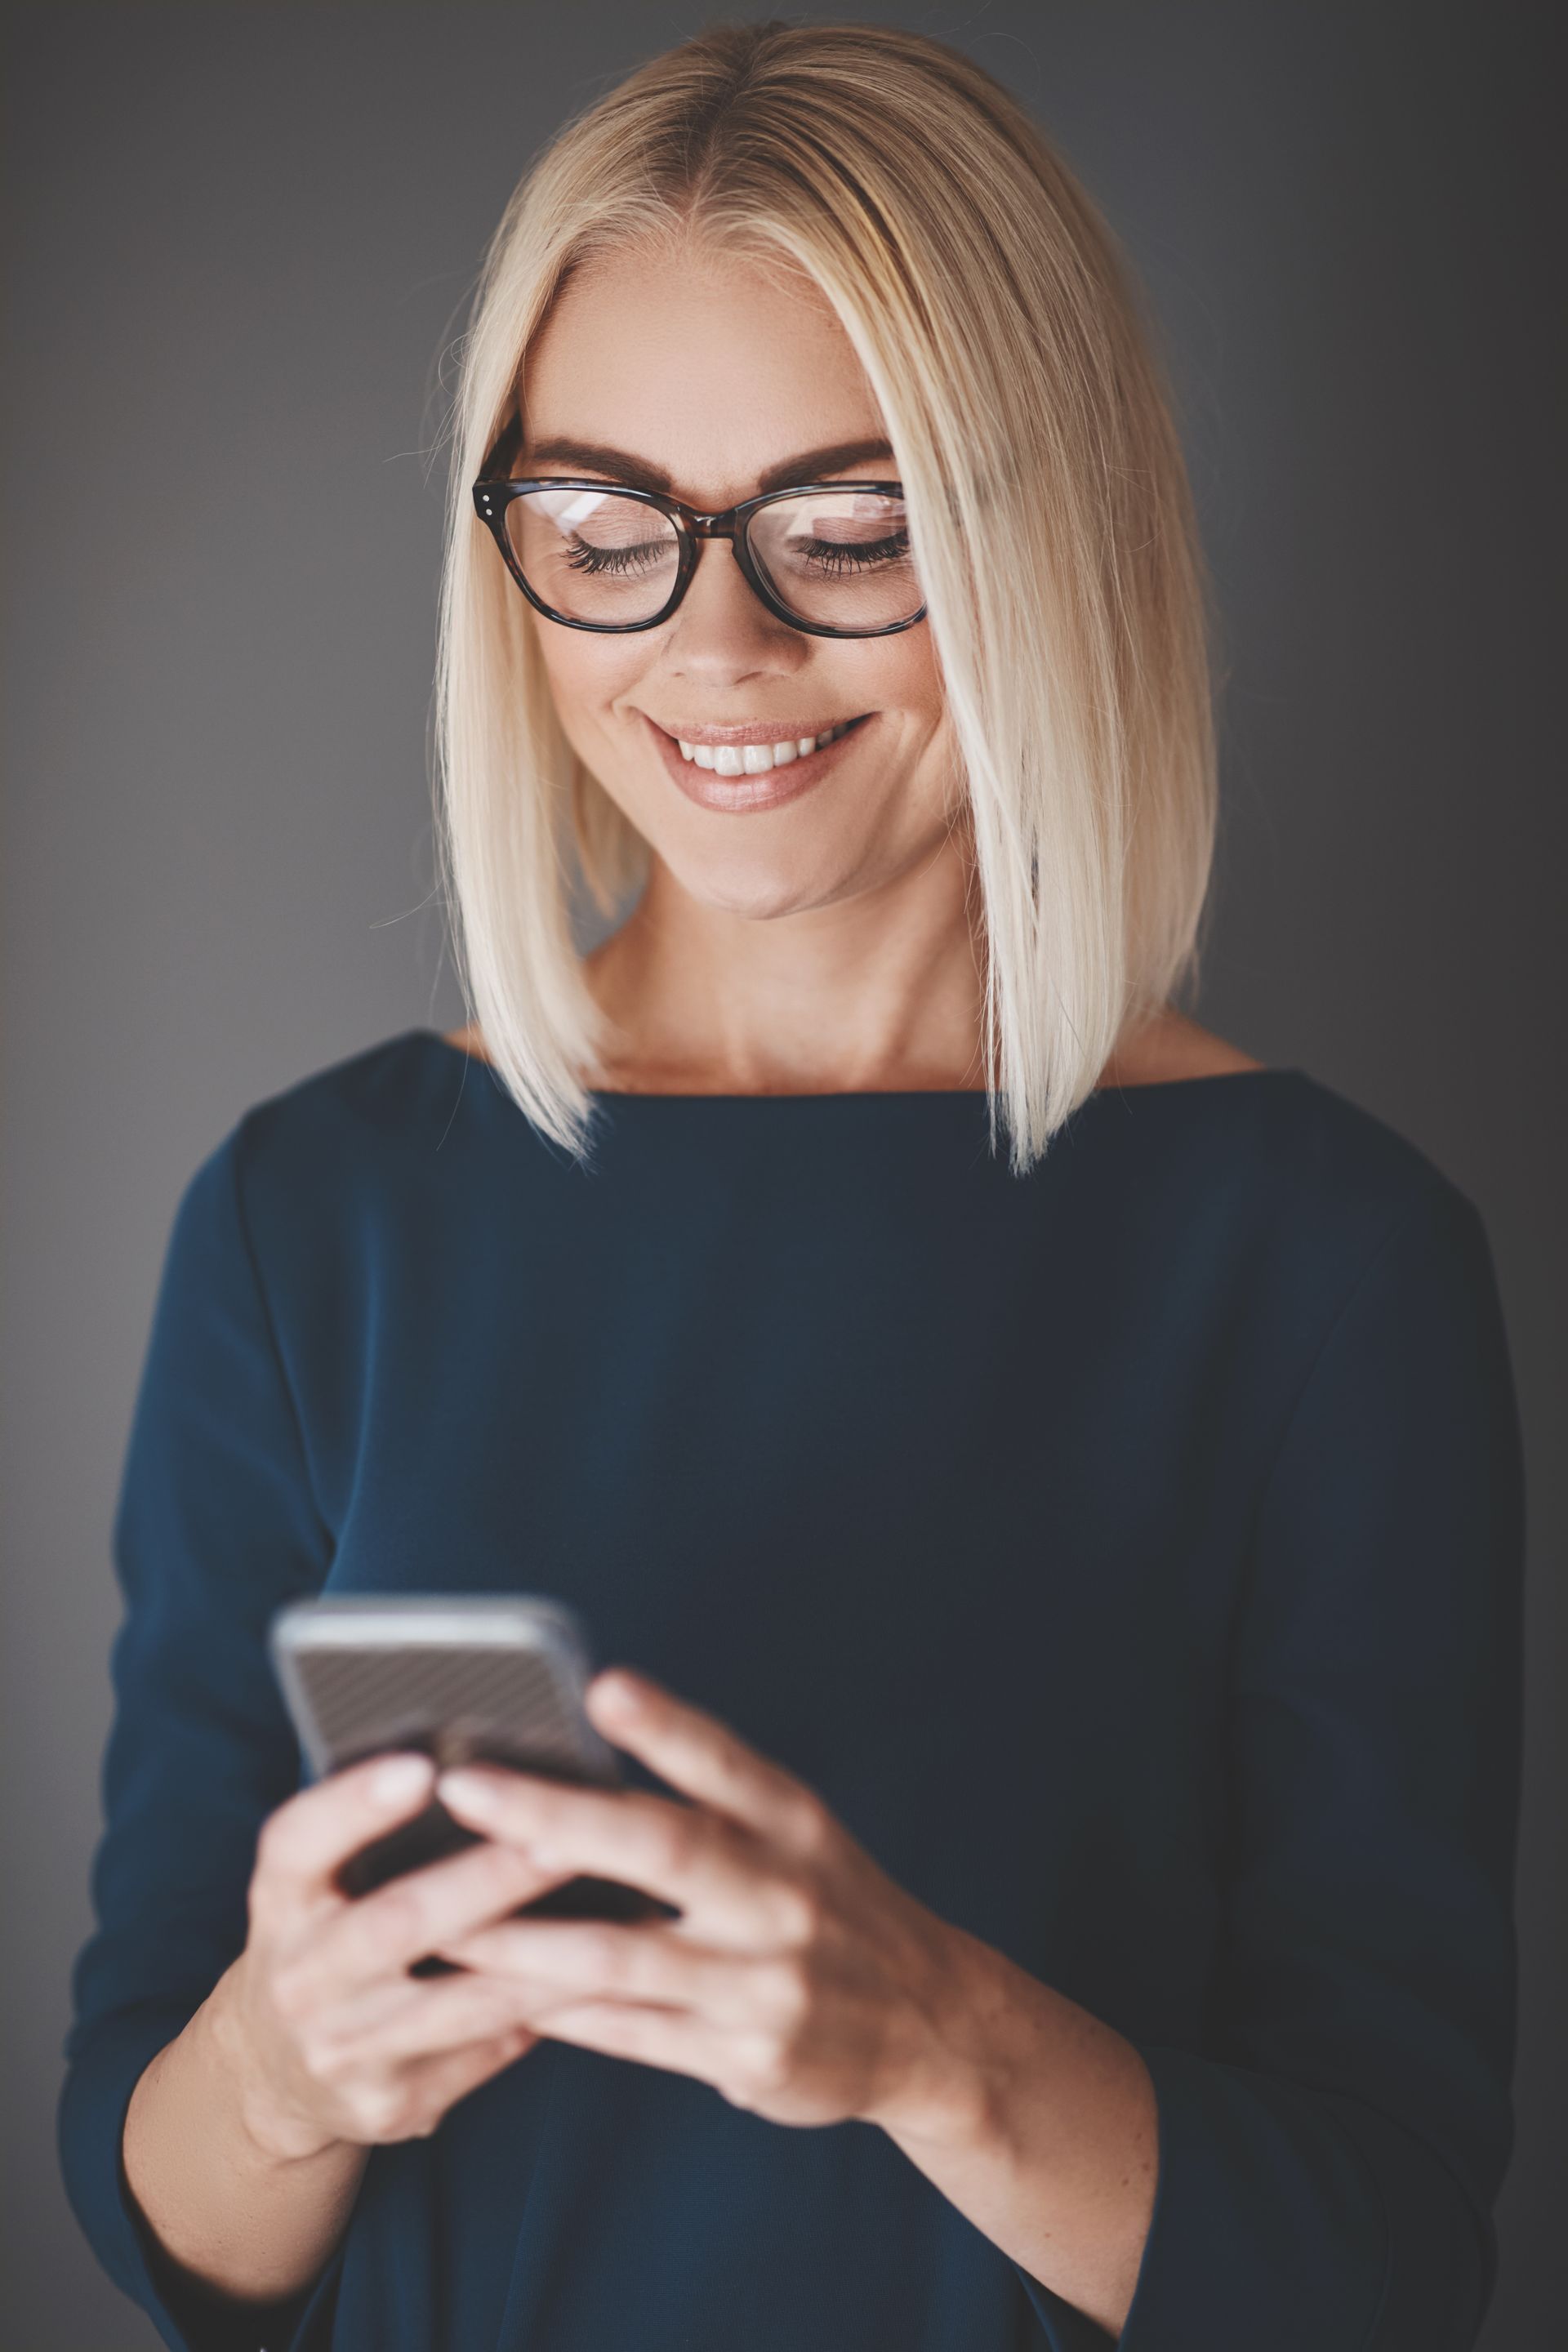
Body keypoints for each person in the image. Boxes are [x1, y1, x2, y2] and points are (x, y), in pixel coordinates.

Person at [58, 20, 1524, 2352]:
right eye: (606, 530)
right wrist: (279, 2066)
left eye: (849, 532)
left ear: (1053, 528)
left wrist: (933, 2039)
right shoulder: (306, 1222)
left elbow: (1379, 2273)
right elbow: (165, 2212)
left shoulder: (1325, 1262)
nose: (714, 649)